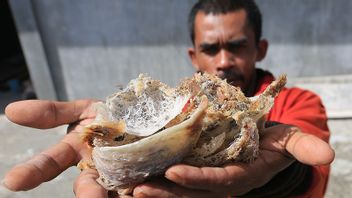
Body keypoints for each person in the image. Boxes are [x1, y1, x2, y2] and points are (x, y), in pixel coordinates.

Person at [2, 0, 334, 197]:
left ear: (259, 49)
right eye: (210, 48)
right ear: (193, 56)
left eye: (236, 46)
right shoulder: (179, 103)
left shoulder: (298, 103)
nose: (223, 61)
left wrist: (282, 172)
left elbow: (313, 178)